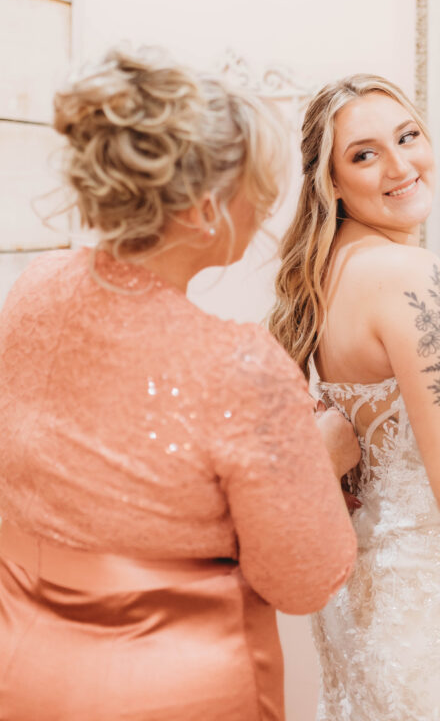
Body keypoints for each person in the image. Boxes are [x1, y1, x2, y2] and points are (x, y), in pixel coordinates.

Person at [0, 47, 359, 721]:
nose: (270, 206)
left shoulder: (34, 287)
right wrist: (324, 451)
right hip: (171, 692)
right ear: (202, 211)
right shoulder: (238, 366)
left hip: (23, 669)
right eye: (260, 185)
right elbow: (303, 580)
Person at [269, 74, 440, 721]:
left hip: (373, 594)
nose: (400, 165)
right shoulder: (407, 275)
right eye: (364, 154)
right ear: (330, 181)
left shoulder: (330, 270)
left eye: (408, 137)